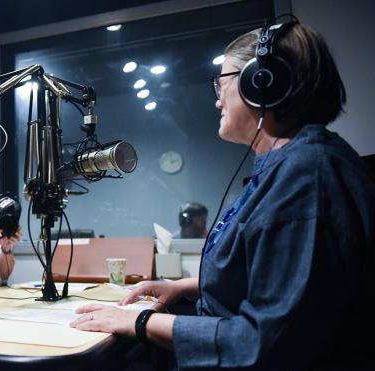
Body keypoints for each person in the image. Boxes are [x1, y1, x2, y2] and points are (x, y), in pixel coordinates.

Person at [70, 20, 375, 370]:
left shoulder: (306, 180)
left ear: (262, 83)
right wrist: (184, 286)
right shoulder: (288, 169)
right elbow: (272, 274)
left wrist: (138, 322)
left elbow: (265, 341)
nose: (217, 102)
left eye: (222, 84)